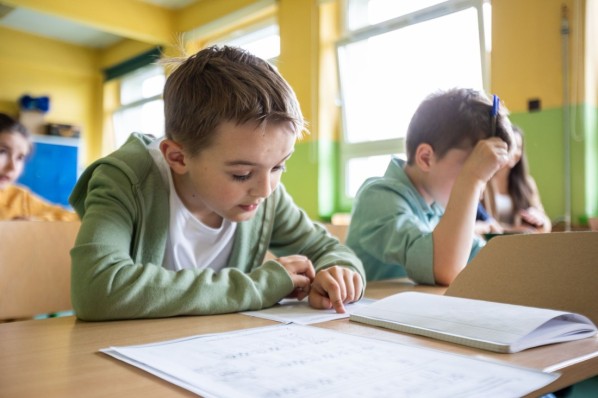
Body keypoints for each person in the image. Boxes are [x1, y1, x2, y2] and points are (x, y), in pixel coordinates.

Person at [69, 45, 365, 321]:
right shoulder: (125, 180)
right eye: (241, 174)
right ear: (178, 157)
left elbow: (328, 249)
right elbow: (95, 289)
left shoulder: (265, 194)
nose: (265, 190)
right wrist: (258, 287)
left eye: (279, 166)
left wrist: (342, 275)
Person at [346, 88, 513, 284]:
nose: (480, 187)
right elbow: (445, 269)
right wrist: (471, 179)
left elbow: (487, 261)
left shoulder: (437, 208)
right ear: (426, 158)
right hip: (364, 312)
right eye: (470, 166)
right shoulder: (377, 197)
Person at [0, 113, 78, 221]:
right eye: (2, 151)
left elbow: (74, 218)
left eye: (20, 157)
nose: (12, 167)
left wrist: (38, 222)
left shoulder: (20, 198)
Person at [481, 124, 551, 233]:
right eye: (511, 146)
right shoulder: (482, 180)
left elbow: (546, 225)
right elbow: (479, 224)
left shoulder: (527, 183)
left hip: (522, 244)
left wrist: (540, 220)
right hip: (491, 245)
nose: (515, 152)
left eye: (518, 147)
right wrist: (514, 230)